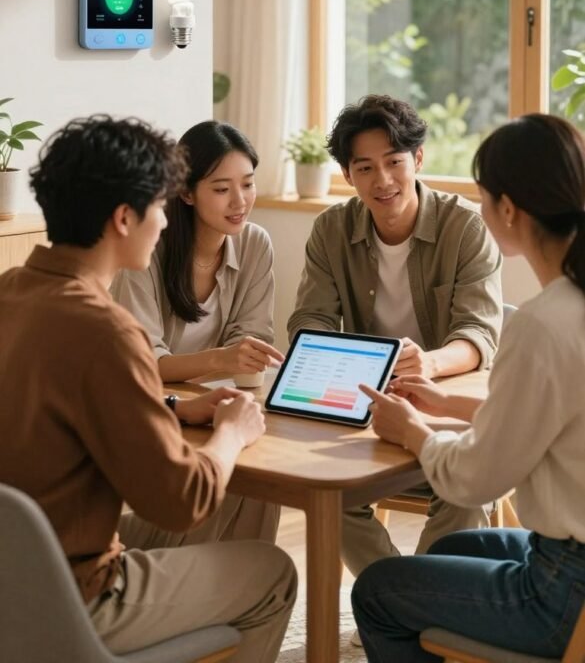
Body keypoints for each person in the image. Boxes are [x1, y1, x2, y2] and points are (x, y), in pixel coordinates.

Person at [0, 116, 296, 662]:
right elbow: (183, 501)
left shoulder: (10, 292)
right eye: (160, 205)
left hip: (17, 568)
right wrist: (231, 433)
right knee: (273, 572)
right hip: (77, 594)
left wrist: (177, 407)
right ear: (123, 218)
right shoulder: (108, 331)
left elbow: (60, 405)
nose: (164, 222)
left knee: (242, 504)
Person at [352, 113, 585, 661]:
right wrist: (446, 402)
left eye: (484, 197)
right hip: (565, 558)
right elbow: (553, 419)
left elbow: (476, 479)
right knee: (453, 549)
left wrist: (413, 431)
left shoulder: (542, 324)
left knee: (377, 592)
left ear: (509, 209)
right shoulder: (570, 309)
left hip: (561, 590)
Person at [288, 94, 503, 575]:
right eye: (364, 168)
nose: (382, 180)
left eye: (394, 162)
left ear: (418, 159)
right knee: (322, 488)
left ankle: (410, 596)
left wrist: (430, 362)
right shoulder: (330, 230)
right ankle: (396, 594)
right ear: (348, 175)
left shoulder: (465, 227)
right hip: (367, 407)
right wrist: (345, 364)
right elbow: (309, 322)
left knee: (468, 487)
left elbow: (478, 333)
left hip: (444, 407)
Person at [111, 120, 284, 385]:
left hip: (212, 393)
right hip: (145, 396)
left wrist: (235, 363)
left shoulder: (254, 244)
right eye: (222, 189)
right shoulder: (144, 251)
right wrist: (220, 359)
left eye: (248, 184)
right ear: (186, 193)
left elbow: (250, 341)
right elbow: (143, 361)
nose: (239, 201)